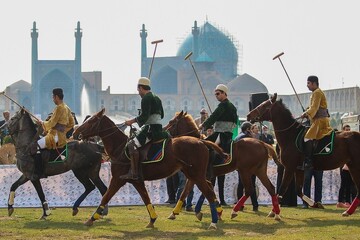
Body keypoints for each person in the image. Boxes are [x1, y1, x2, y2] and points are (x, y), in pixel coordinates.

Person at [199, 84, 238, 206]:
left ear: (225, 93)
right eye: (215, 94)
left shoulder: (224, 105)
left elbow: (214, 116)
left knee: (203, 145)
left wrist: (203, 125)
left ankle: (209, 168)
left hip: (221, 135)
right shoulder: (231, 106)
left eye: (218, 93)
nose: (216, 96)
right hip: (226, 134)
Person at [120, 77, 166, 181]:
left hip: (151, 129)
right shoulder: (157, 98)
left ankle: (134, 173)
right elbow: (162, 115)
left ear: (141, 88)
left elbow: (144, 117)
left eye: (138, 90)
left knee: (131, 145)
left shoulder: (146, 98)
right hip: (158, 127)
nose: (138, 93)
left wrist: (131, 121)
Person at [300, 75, 332, 170]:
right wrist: (307, 111)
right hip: (318, 119)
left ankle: (308, 161)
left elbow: (314, 108)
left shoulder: (317, 92)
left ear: (314, 83)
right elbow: (313, 107)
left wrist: (306, 113)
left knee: (307, 138)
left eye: (308, 83)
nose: (307, 85)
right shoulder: (316, 92)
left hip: (320, 121)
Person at [234, 121, 259, 211]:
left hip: (239, 165)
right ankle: (255, 205)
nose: (253, 131)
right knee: (251, 185)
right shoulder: (248, 138)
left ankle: (240, 204)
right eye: (252, 129)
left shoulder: (237, 137)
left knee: (241, 185)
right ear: (248, 129)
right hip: (249, 166)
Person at [337, 124, 355, 208]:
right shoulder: (341, 141)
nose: (348, 131)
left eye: (349, 129)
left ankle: (348, 202)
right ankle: (340, 201)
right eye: (346, 129)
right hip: (344, 166)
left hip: (349, 166)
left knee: (350, 185)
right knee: (344, 184)